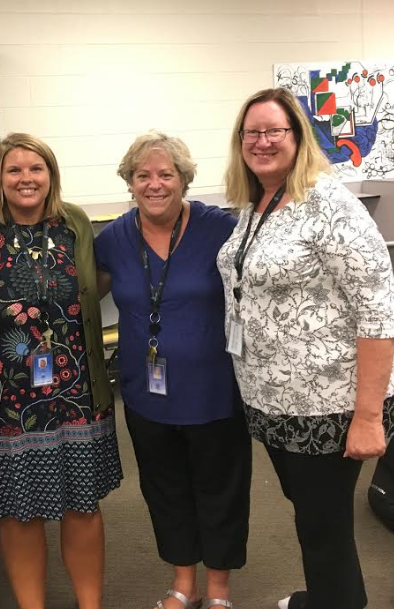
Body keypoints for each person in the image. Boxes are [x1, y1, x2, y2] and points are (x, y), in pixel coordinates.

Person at [216, 87, 394, 609]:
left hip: (330, 403)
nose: (263, 141)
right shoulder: (257, 202)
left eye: (275, 131)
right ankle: (327, 597)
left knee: (323, 523)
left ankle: (338, 601)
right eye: (253, 133)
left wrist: (367, 416)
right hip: (275, 400)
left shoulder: (328, 201)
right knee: (312, 512)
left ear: (298, 137)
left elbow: (379, 310)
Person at [95, 131, 252, 609]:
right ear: (129, 182)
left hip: (215, 391)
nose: (155, 184)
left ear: (184, 180)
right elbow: (79, 295)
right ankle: (183, 583)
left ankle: (219, 591)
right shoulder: (113, 239)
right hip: (146, 394)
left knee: (220, 489)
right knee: (165, 490)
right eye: (144, 175)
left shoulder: (219, 228)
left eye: (166, 174)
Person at [0, 133, 122, 609]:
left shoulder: (73, 222)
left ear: (50, 175)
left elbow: (97, 284)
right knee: (18, 512)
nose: (26, 178)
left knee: (82, 505)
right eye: (14, 170)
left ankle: (89, 604)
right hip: (2, 400)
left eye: (36, 168)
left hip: (75, 390)